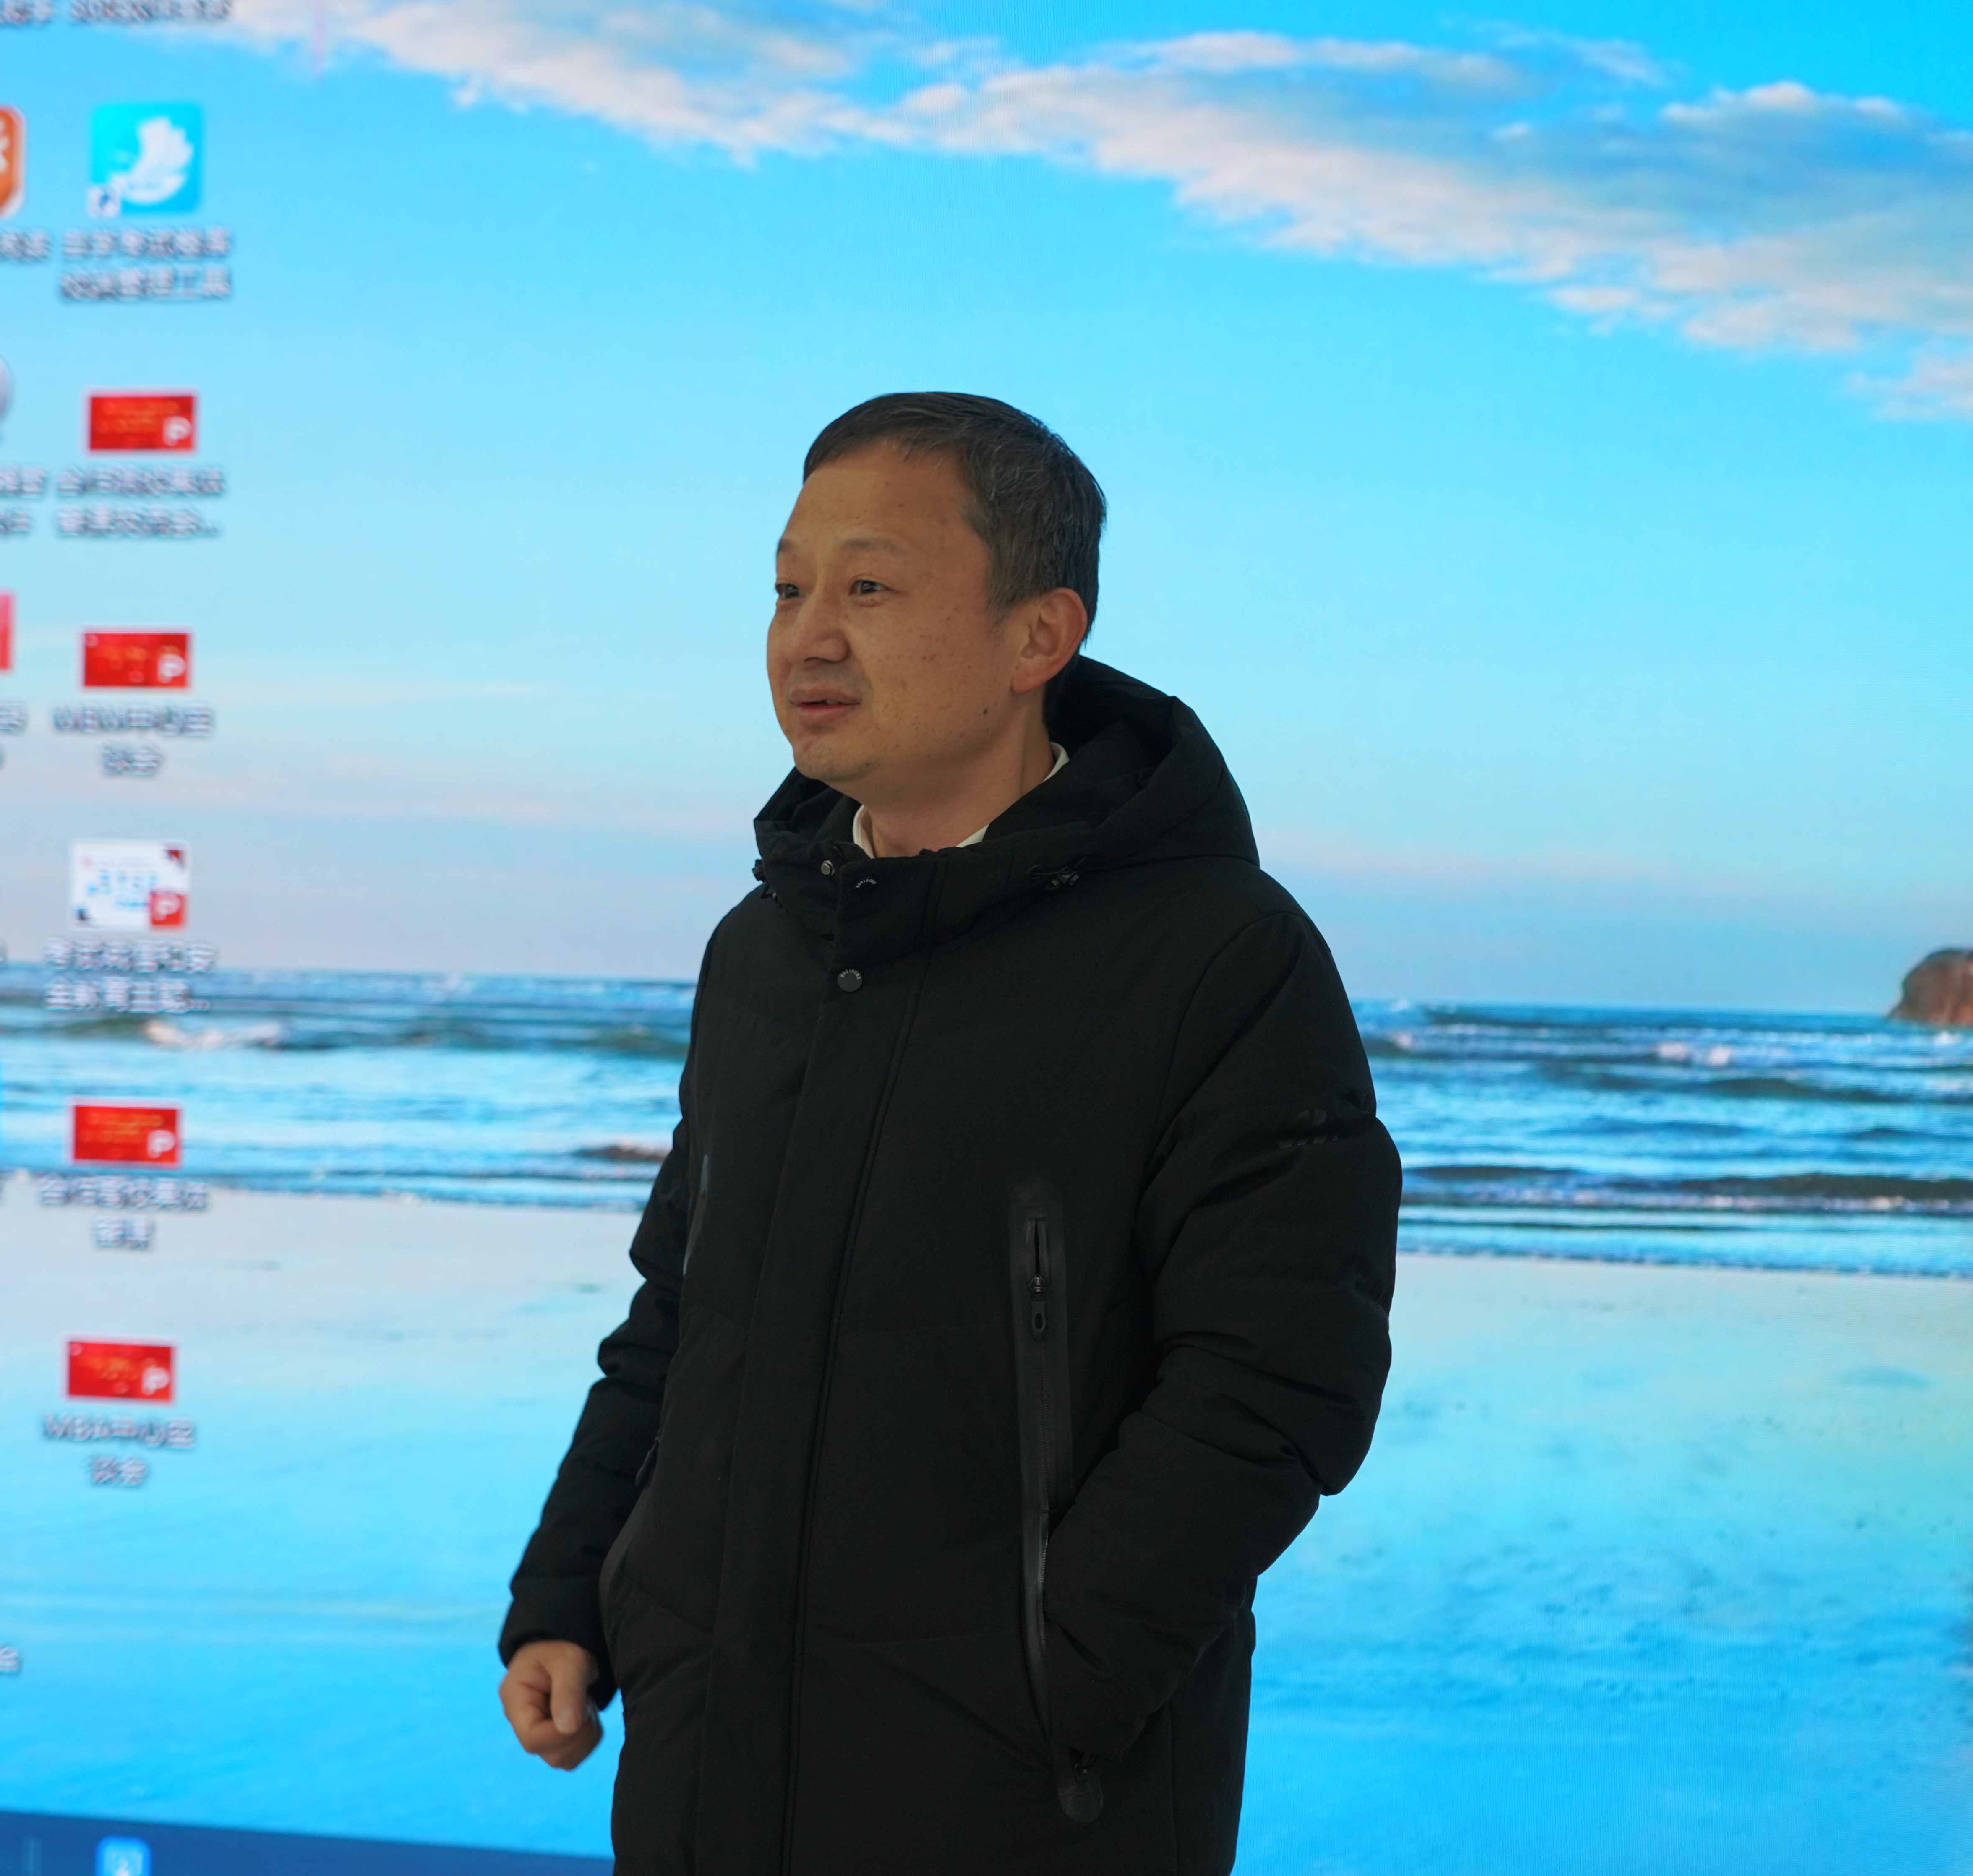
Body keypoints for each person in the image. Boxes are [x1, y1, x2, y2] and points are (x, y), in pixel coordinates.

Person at [494, 391, 1399, 1873]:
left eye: (868, 589)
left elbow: (1281, 1373)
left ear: (1039, 636)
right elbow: (680, 1313)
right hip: (709, 1764)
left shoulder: (1219, 956)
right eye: (787, 589)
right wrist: (576, 1587)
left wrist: (1057, 1674)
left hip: (1036, 1798)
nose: (808, 638)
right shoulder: (763, 951)